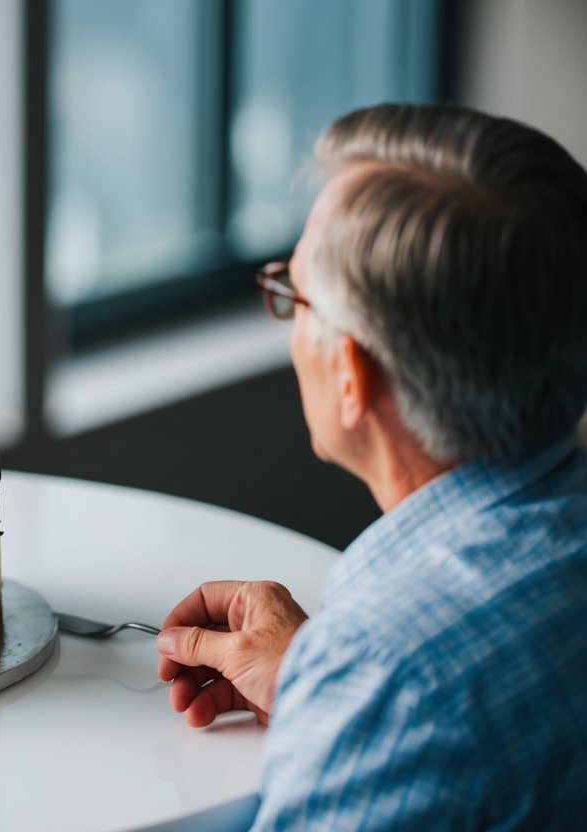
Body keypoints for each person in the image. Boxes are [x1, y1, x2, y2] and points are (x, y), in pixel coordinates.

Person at [155, 103, 587, 828]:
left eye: (291, 297)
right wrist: (316, 676)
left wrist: (355, 693)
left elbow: (420, 698)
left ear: (350, 372)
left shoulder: (391, 682)